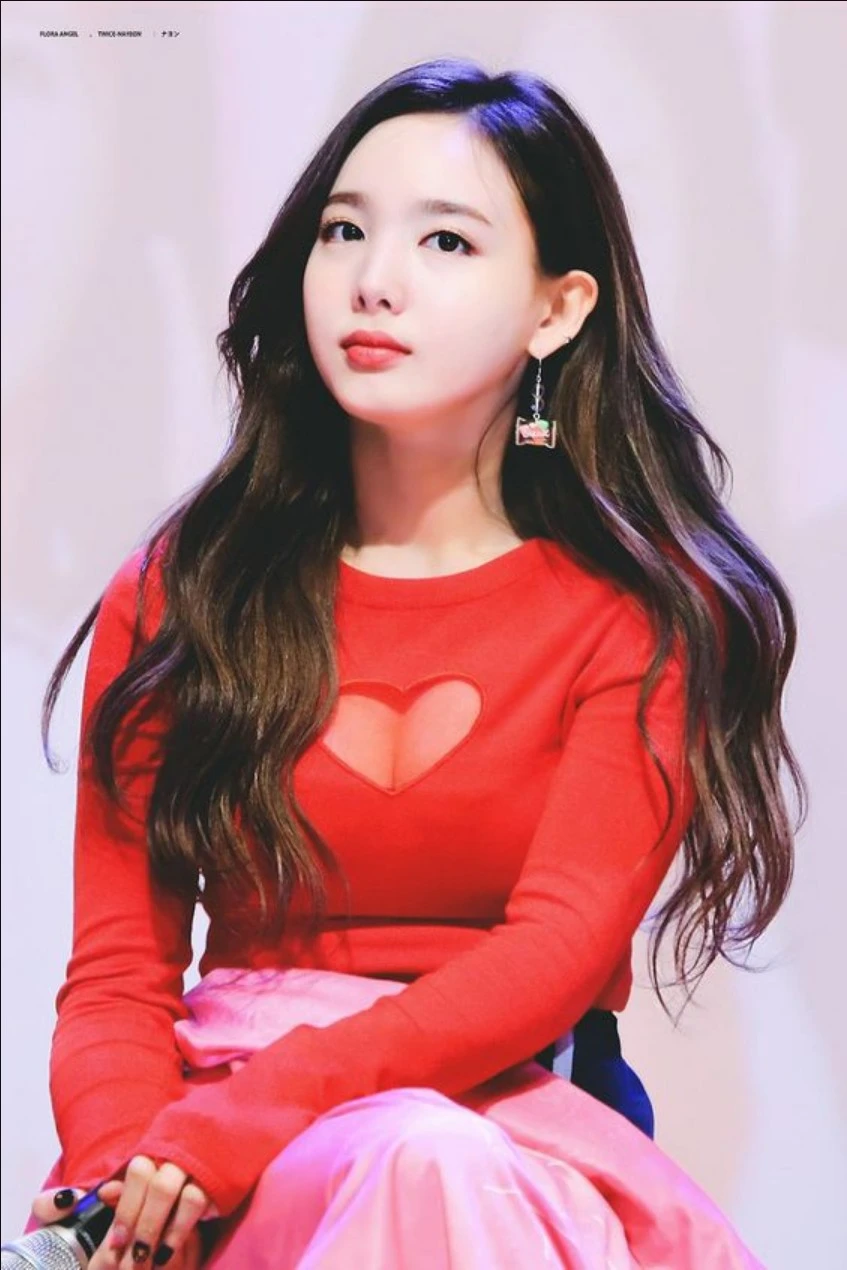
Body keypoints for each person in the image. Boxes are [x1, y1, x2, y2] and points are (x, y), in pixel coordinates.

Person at [24, 57, 805, 1269]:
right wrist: (124, 1179)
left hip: (493, 1127)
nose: (373, 279)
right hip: (220, 1145)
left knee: (427, 1160)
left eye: (446, 242)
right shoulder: (187, 588)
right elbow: (120, 970)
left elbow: (551, 957)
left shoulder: (642, 613)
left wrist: (250, 1117)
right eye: (344, 230)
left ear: (558, 309)